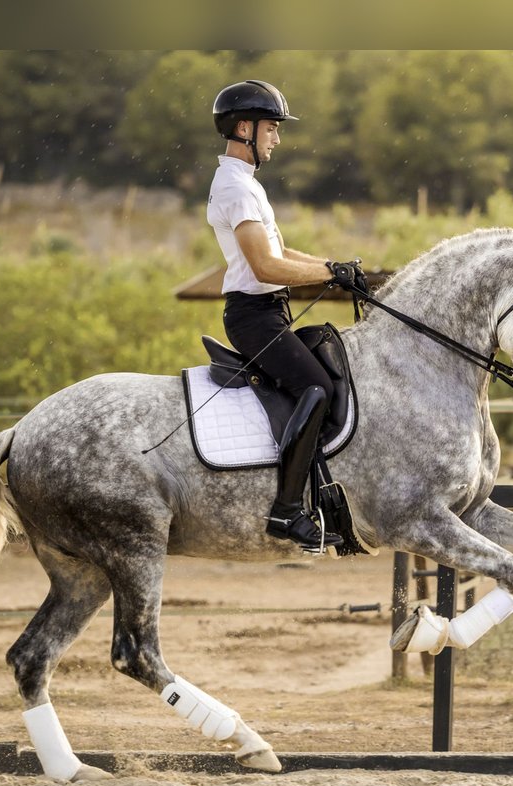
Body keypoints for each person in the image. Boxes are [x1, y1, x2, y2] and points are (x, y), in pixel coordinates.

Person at [207, 79, 367, 551]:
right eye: (272, 128)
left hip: (269, 311)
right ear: (244, 127)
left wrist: (332, 268)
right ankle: (286, 511)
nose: (277, 138)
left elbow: (280, 251)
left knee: (327, 377)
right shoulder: (236, 189)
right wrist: (326, 271)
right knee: (314, 390)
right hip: (254, 315)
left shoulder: (245, 186)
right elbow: (265, 266)